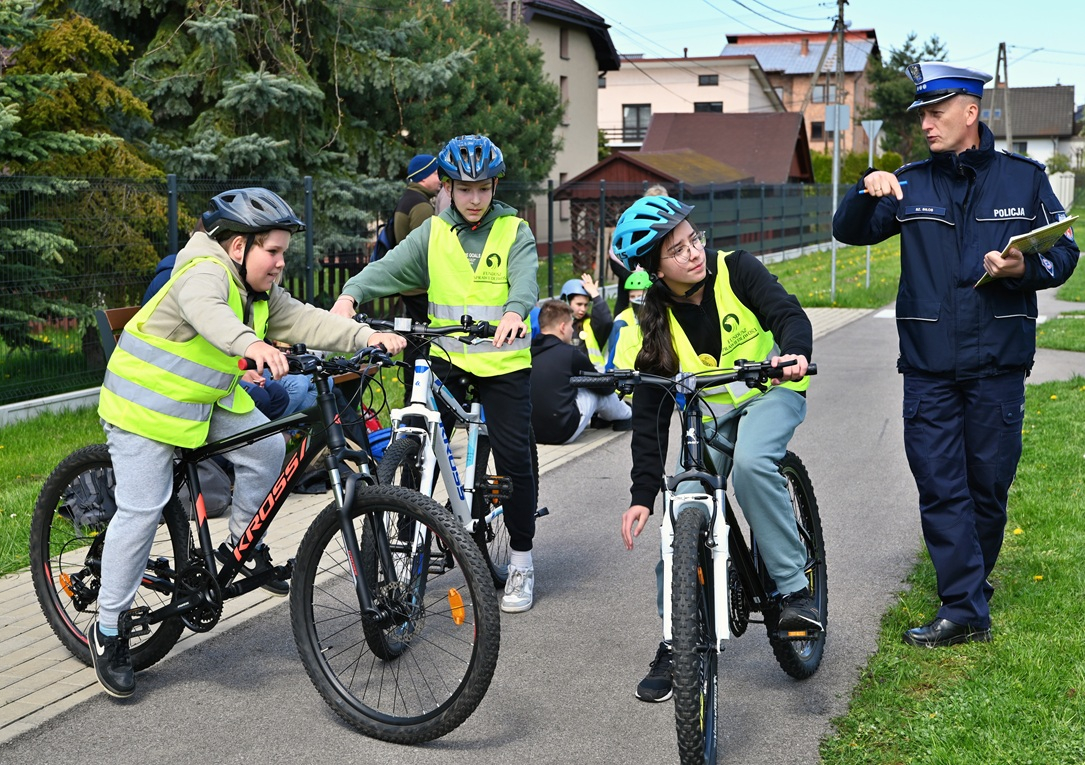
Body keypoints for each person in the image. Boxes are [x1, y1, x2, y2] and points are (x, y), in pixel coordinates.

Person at [92, 188, 405, 699]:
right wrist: (252, 344)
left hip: (202, 400)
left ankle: (241, 545)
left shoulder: (258, 290)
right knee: (142, 510)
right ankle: (108, 630)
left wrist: (363, 337)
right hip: (144, 406)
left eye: (284, 252)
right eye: (273, 252)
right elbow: (209, 314)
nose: (281, 263)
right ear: (239, 246)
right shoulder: (203, 272)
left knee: (267, 449)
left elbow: (307, 319)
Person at [833, 62, 1080, 648]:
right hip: (929, 368)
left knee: (987, 487)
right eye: (921, 114)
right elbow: (849, 231)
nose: (926, 123)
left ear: (971, 112)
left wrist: (1023, 270)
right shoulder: (908, 183)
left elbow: (1065, 253)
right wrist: (865, 186)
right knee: (942, 486)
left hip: (998, 365)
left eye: (936, 112)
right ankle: (964, 607)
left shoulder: (1024, 179)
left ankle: (970, 581)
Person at [612, 194, 819, 703]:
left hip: (771, 394)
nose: (694, 253)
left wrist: (794, 352)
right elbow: (650, 417)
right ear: (655, 272)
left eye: (694, 239)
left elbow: (788, 314)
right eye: (677, 250)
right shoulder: (653, 321)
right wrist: (642, 496)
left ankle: (795, 590)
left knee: (750, 464)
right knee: (683, 505)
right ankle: (676, 641)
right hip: (711, 420)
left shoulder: (737, 270)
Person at [331, 134, 541, 613]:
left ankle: (522, 560)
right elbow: (389, 267)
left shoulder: (515, 230)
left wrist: (514, 310)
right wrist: (350, 294)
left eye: (483, 188)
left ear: (494, 187)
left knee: (514, 460)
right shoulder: (433, 231)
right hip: (448, 358)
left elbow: (525, 280)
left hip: (502, 362)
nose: (474, 198)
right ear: (446, 186)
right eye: (464, 189)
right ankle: (408, 547)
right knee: (415, 443)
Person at [143, 253, 290, 420]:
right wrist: (247, 360)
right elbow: (212, 324)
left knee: (279, 395)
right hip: (176, 380)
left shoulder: (236, 281)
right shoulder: (198, 277)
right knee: (268, 395)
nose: (281, 263)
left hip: (223, 367)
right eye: (272, 251)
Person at [530, 298, 631, 444]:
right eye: (571, 325)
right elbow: (603, 387)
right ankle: (627, 416)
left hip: (531, 433)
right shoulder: (570, 353)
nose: (572, 330)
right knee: (595, 389)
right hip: (562, 433)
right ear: (562, 327)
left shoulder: (529, 352)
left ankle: (605, 416)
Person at [609, 184, 668, 315]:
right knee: (629, 294)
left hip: (635, 263)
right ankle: (620, 323)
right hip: (625, 263)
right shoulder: (637, 217)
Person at [559, 273, 613, 371]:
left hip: (591, 376)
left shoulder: (590, 325)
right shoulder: (556, 324)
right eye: (579, 304)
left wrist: (595, 294)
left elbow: (605, 321)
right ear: (566, 301)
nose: (583, 309)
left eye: (586, 305)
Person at [605, 269, 651, 372]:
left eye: (639, 297)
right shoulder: (621, 318)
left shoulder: (657, 314)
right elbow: (612, 348)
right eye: (632, 297)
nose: (635, 300)